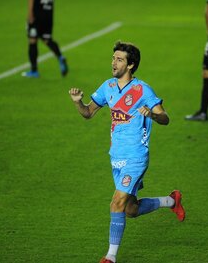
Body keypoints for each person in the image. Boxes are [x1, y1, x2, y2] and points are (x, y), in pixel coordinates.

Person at [69, 42, 185, 263]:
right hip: (116, 156)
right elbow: (87, 113)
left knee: (116, 203)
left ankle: (110, 257)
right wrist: (78, 103)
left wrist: (151, 114)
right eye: (113, 58)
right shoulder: (108, 87)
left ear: (131, 65)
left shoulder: (143, 90)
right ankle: (171, 201)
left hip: (136, 156)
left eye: (120, 59)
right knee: (130, 210)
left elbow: (165, 118)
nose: (114, 62)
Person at [22, 0, 68, 78]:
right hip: (48, 11)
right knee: (46, 38)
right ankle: (60, 56)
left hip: (37, 11)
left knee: (33, 39)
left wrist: (30, 12)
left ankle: (34, 70)